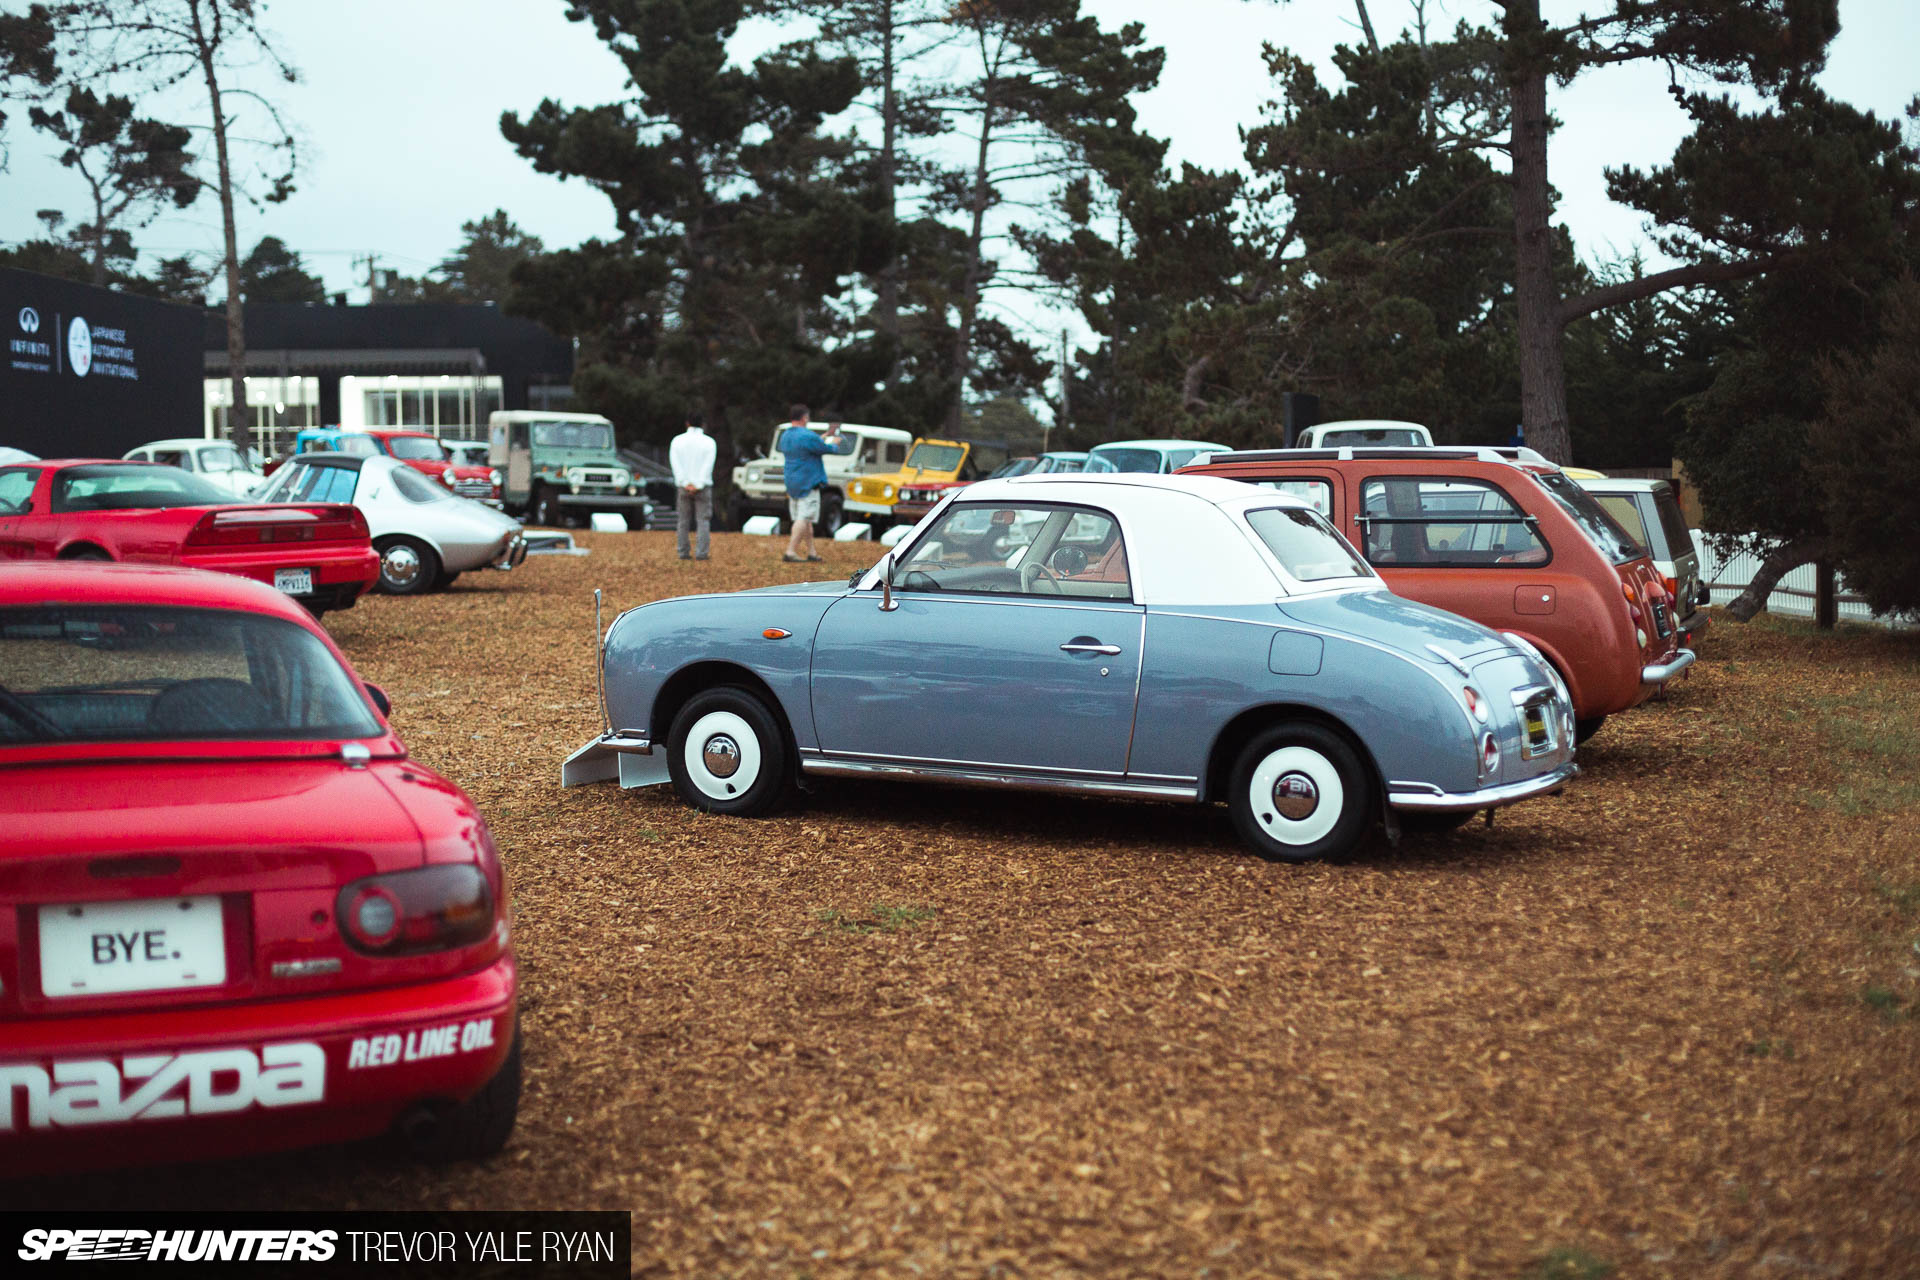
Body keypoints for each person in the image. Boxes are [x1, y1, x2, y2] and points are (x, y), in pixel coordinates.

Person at [778, 404, 851, 563]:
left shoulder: (785, 435)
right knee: (803, 518)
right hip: (808, 481)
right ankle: (790, 551)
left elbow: (811, 445)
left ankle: (812, 552)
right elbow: (827, 449)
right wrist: (835, 442)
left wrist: (823, 436)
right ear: (804, 417)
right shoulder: (807, 436)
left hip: (792, 480)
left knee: (805, 519)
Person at [669, 411, 717, 560]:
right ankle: (701, 553)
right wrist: (699, 484)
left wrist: (685, 482)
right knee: (703, 520)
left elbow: (675, 464)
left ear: (687, 423)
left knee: (683, 520)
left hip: (684, 486)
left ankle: (683, 552)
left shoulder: (677, 441)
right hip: (703, 487)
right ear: (702, 424)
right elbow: (708, 465)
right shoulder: (709, 442)